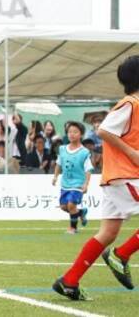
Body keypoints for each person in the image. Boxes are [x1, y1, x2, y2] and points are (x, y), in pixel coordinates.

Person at [53, 55, 139, 301]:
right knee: (110, 238)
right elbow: (104, 130)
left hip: (118, 178)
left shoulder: (133, 105)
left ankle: (69, 281)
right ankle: (121, 256)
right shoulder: (131, 104)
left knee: (108, 233)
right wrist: (133, 154)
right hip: (127, 177)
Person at [51, 122, 93, 234]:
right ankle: (81, 212)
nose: (72, 134)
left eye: (75, 132)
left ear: (81, 134)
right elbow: (59, 164)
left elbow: (88, 169)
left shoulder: (84, 152)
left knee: (71, 205)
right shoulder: (62, 149)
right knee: (64, 207)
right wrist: (55, 177)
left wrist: (86, 184)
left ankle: (73, 228)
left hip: (78, 184)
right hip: (65, 184)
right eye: (69, 132)